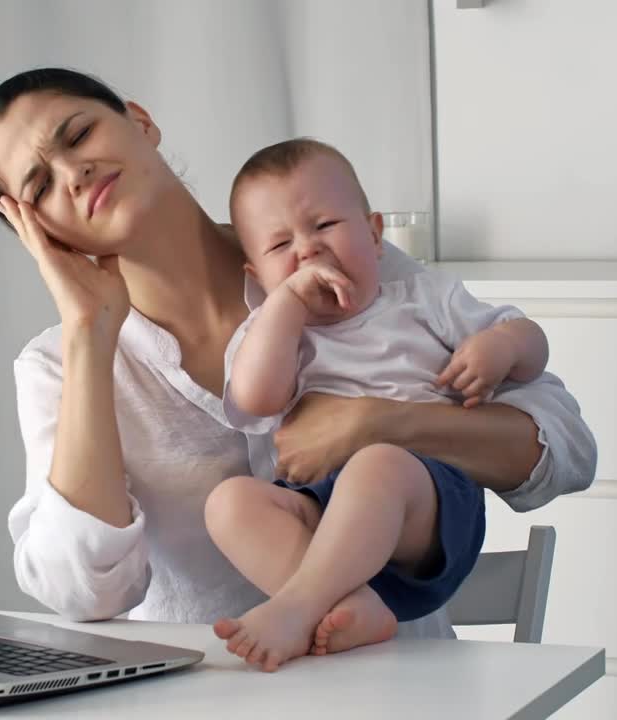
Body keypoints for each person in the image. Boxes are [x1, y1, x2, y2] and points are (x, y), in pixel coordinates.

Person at [0, 67, 595, 645]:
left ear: (141, 122)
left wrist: (378, 423)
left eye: (79, 134)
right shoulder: (56, 366)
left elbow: (567, 449)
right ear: (37, 231)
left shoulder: (326, 256)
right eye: (40, 184)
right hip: (208, 696)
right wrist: (86, 335)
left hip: (404, 691)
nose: (72, 172)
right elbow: (85, 595)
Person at [205, 138, 549, 671]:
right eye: (279, 247)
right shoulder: (273, 331)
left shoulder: (422, 299)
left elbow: (531, 343)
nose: (308, 250)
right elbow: (256, 399)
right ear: (256, 276)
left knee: (376, 461)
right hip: (324, 514)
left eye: (325, 226)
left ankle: (298, 606)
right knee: (228, 503)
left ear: (374, 232)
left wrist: (503, 346)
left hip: (428, 502)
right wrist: (287, 306)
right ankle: (353, 605)